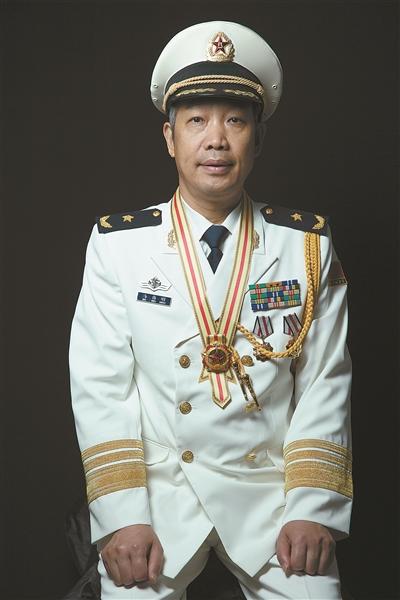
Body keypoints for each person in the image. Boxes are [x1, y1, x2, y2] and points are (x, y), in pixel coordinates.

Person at [69, 20, 352, 600]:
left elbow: (324, 380)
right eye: (197, 120)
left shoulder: (304, 245)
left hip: (272, 495)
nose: (216, 140)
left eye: (235, 121)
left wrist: (313, 508)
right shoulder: (119, 245)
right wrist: (121, 516)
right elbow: (100, 385)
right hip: (159, 492)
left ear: (258, 138)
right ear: (170, 137)